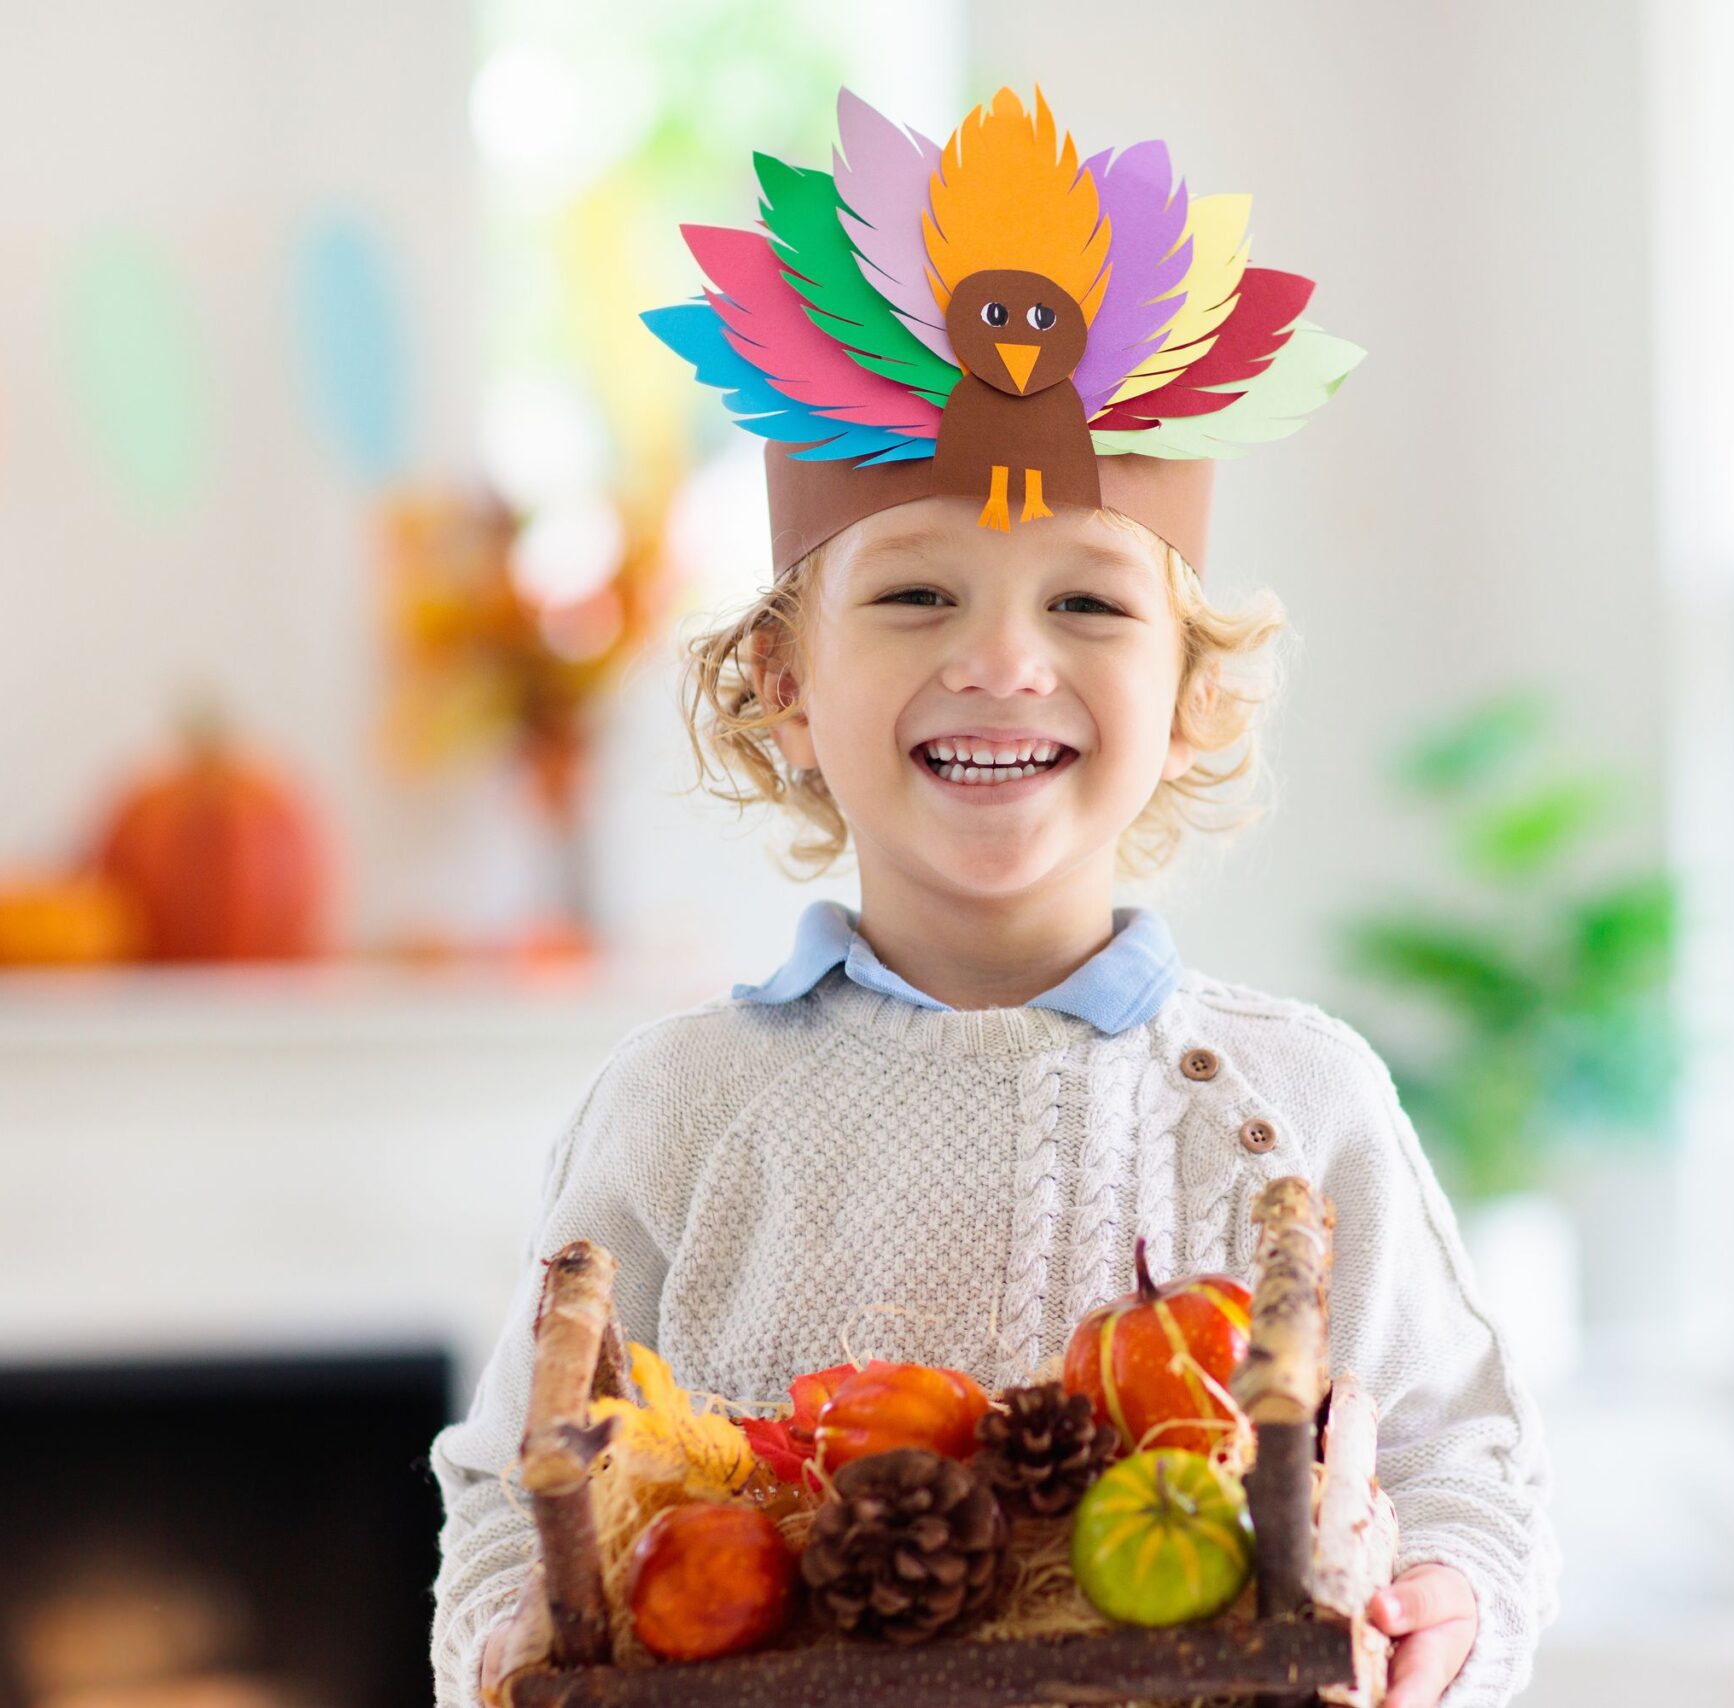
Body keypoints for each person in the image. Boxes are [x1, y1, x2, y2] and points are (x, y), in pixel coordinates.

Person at [429, 84, 1558, 1708]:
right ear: (785, 684)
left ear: (1190, 700)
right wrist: (508, 1635)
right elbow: (506, 1483)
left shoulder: (1299, 1100)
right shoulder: (677, 1107)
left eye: (1090, 601)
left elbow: (1465, 1456)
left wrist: (1451, 1593)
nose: (1004, 661)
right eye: (915, 593)